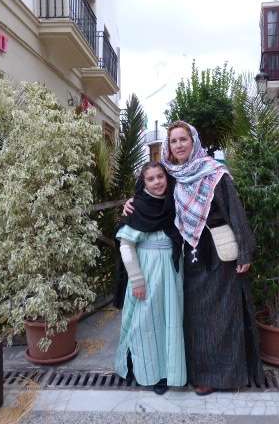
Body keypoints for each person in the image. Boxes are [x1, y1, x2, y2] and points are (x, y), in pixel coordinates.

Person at [124, 121, 264, 396]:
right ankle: (200, 373)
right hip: (188, 255)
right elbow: (153, 192)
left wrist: (244, 250)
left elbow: (234, 210)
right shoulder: (173, 175)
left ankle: (224, 376)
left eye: (183, 139)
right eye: (173, 141)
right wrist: (132, 203)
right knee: (195, 316)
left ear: (193, 141)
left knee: (222, 314)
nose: (178, 145)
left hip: (218, 253)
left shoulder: (214, 173)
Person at [114, 161, 186, 395]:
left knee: (167, 323)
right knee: (143, 322)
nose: (157, 182)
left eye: (160, 177)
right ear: (143, 183)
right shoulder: (138, 207)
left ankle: (164, 373)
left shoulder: (173, 202)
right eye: (151, 178)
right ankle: (139, 368)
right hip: (147, 273)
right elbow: (126, 245)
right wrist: (136, 279)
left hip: (171, 273)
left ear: (167, 177)